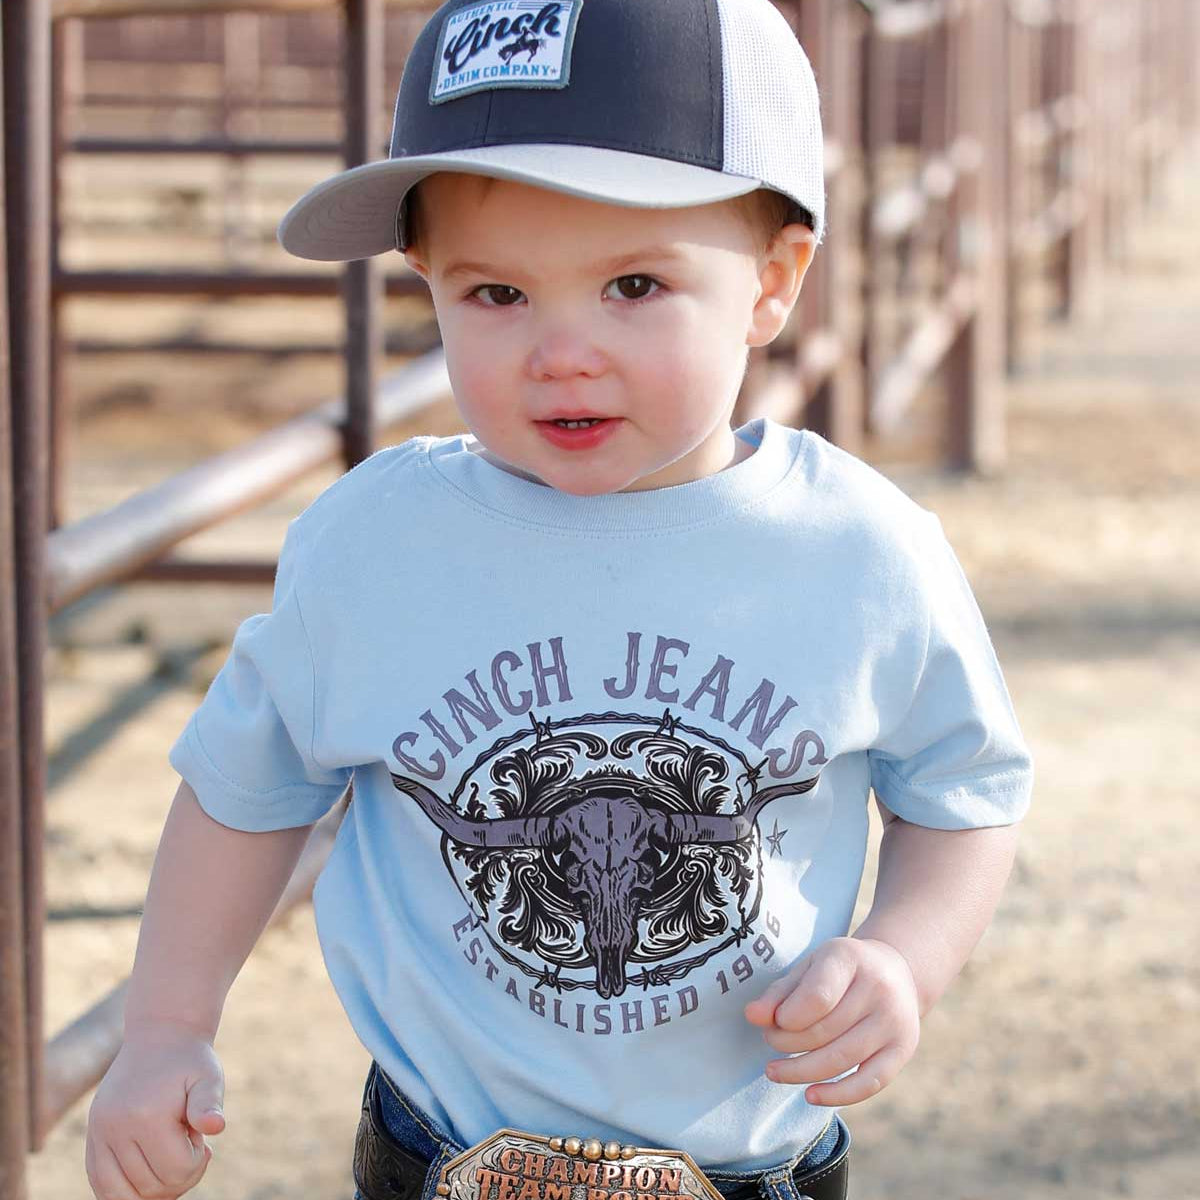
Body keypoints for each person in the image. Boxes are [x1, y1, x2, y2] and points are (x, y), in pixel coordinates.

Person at [84, 0, 1033, 1198]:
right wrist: (167, 1025)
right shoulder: (377, 544)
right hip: (443, 1161)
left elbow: (965, 791)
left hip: (749, 1170)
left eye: (634, 284)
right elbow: (242, 790)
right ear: (423, 276)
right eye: (496, 295)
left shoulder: (860, 552)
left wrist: (904, 959)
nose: (561, 351)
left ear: (772, 283)